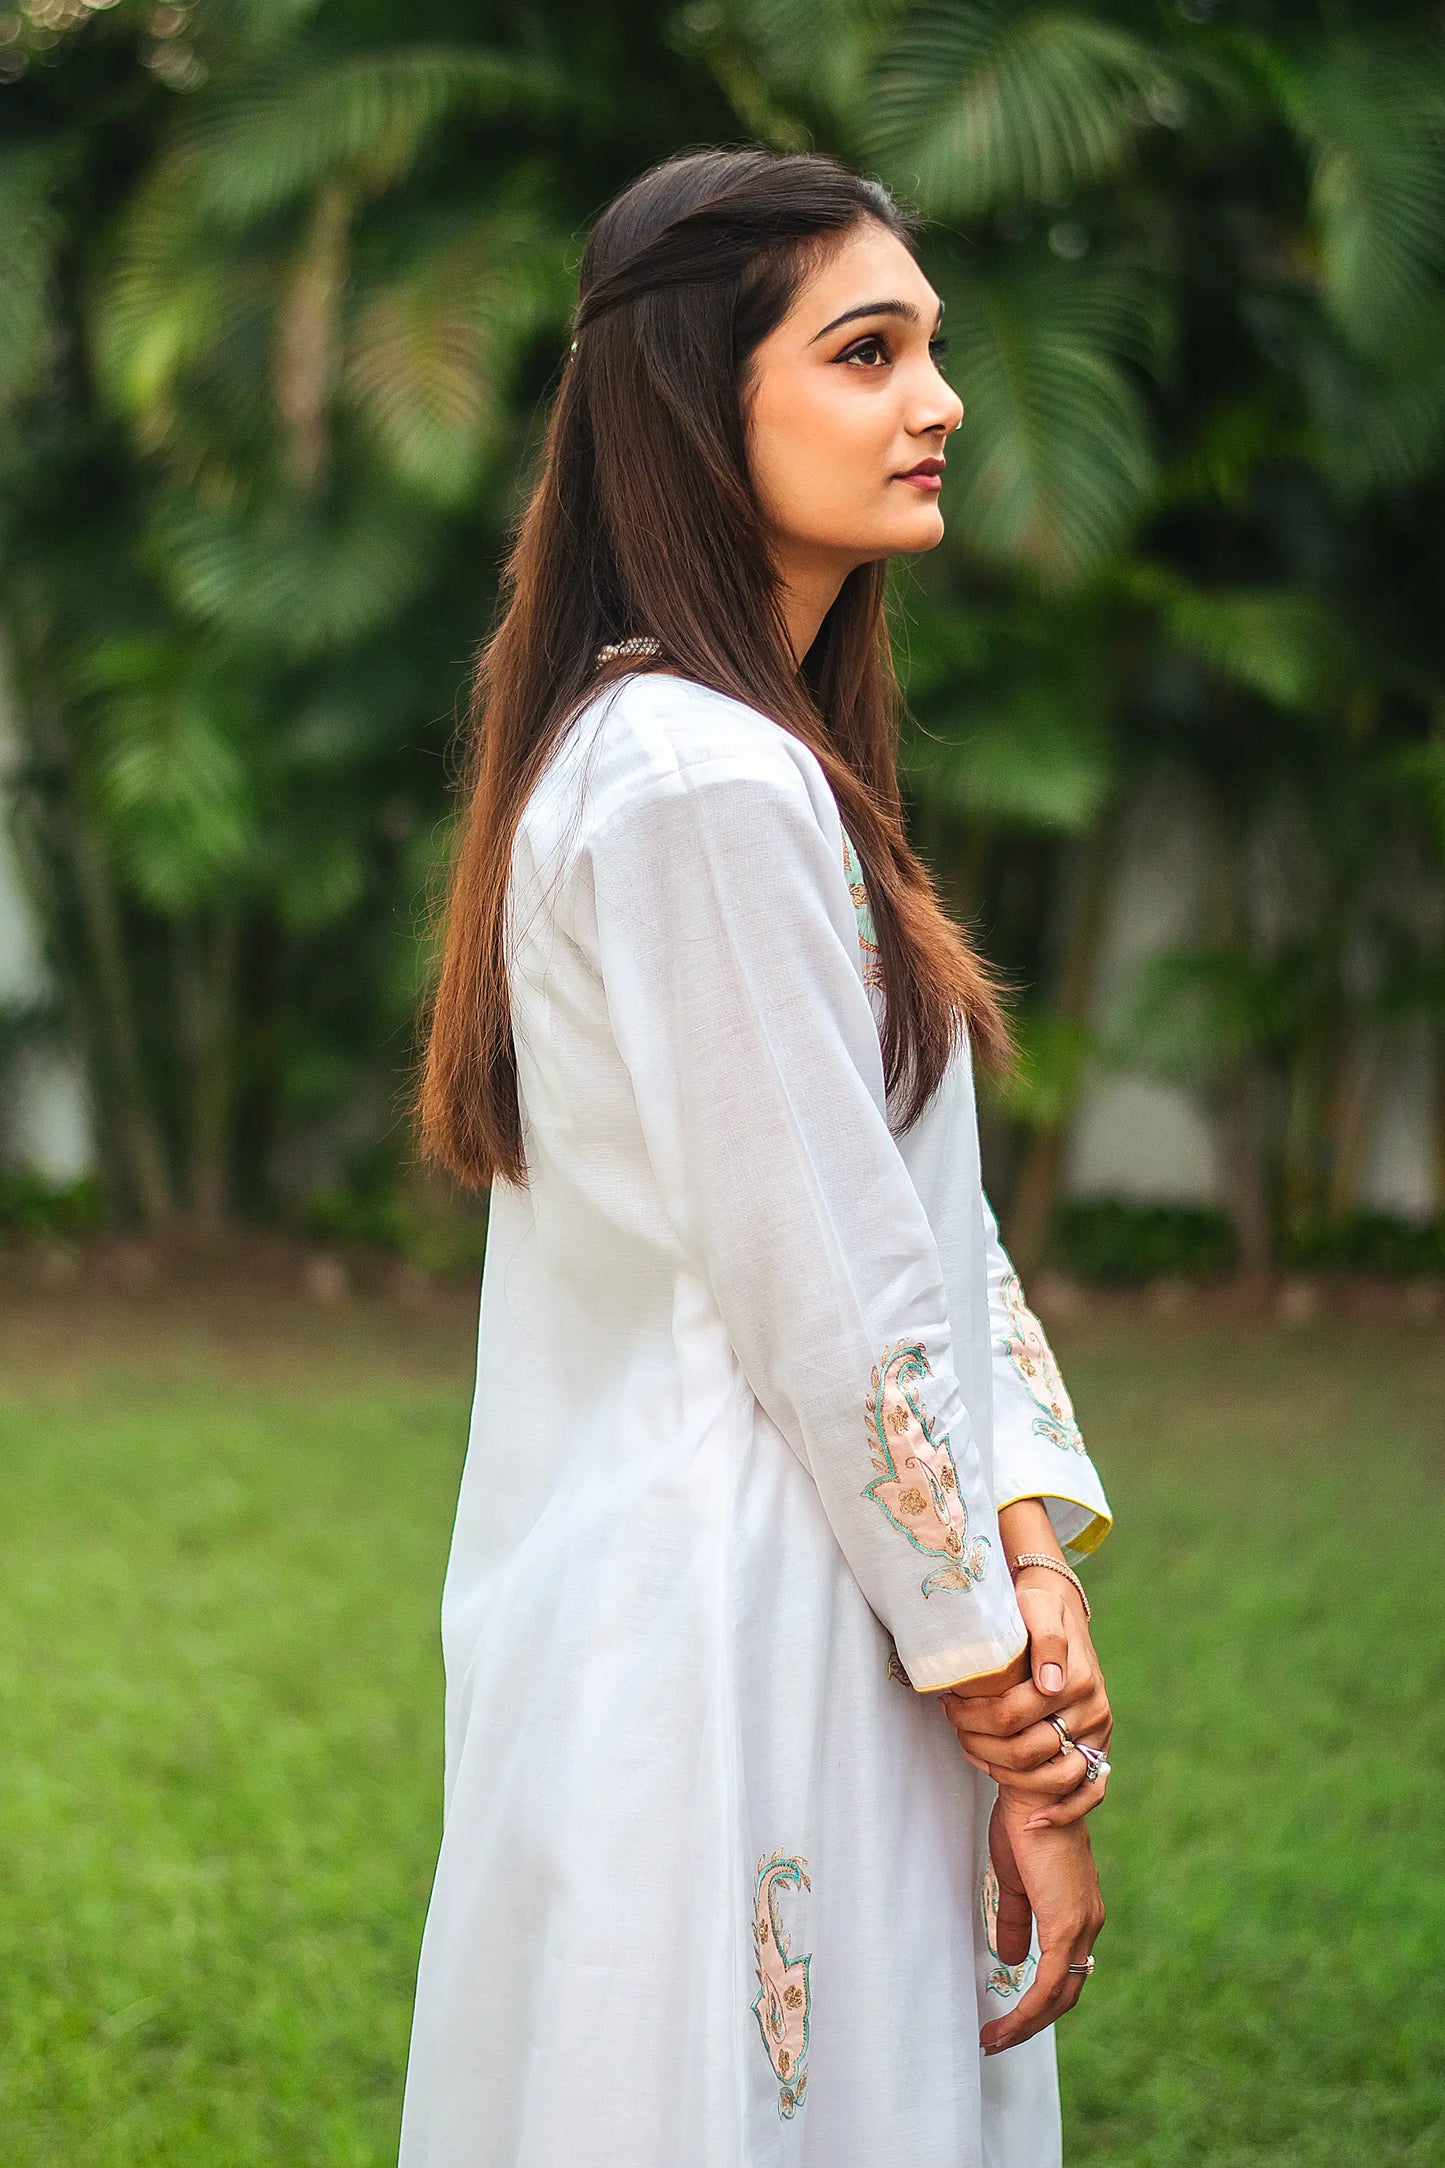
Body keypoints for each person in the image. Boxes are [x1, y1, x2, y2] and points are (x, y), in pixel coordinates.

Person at [401, 145, 1115, 2168]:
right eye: (868, 350)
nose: (941, 399)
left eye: (933, 348)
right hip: (747, 1625)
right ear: (701, 402)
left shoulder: (752, 755)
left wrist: (1034, 1543)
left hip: (842, 1589)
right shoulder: (696, 779)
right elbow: (835, 1295)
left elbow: (918, 1221)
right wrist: (1012, 1712)